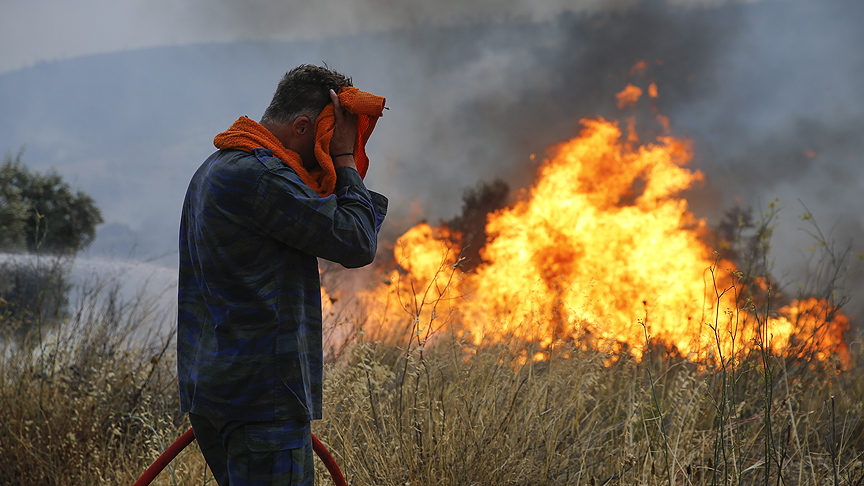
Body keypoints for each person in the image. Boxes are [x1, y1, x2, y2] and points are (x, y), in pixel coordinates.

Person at [177, 64, 388, 485]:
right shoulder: (263, 177)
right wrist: (345, 159)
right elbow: (356, 241)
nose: (330, 150)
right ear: (303, 127)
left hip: (220, 395)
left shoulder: (217, 166)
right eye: (330, 138)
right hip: (262, 404)